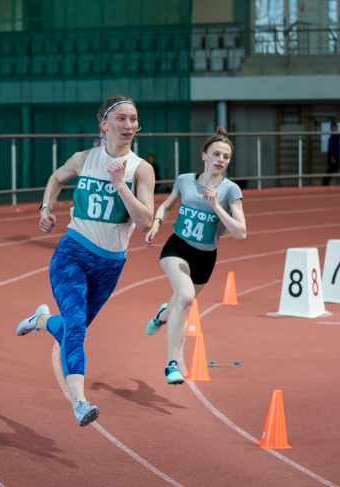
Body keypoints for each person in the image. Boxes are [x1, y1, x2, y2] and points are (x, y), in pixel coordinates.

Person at [15, 96, 155, 427]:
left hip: (110, 265)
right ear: (104, 124)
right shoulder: (84, 159)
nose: (129, 126)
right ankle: (80, 402)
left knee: (70, 329)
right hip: (73, 253)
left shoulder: (141, 169)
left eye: (134, 119)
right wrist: (46, 208)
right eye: (121, 118)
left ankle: (41, 320)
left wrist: (120, 184)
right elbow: (56, 178)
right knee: (76, 328)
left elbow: (145, 221)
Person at [143, 128, 246, 384]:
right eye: (216, 154)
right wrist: (156, 223)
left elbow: (241, 233)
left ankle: (162, 316)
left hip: (205, 257)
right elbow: (167, 205)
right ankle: (172, 363)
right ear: (204, 156)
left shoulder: (231, 190)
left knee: (180, 302)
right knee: (186, 297)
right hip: (177, 247)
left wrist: (217, 207)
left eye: (226, 156)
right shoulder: (185, 180)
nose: (221, 160)